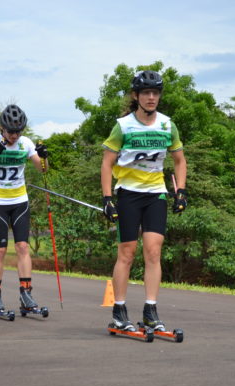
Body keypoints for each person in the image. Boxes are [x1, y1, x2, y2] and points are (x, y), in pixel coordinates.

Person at [100, 70, 188, 332]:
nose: (151, 97)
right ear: (136, 96)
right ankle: (119, 310)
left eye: (156, 93)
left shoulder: (167, 124)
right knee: (126, 253)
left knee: (153, 251)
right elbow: (107, 163)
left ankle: (150, 310)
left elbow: (180, 160)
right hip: (128, 193)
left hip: (156, 194)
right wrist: (107, 197)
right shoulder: (123, 125)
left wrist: (181, 191)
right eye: (146, 93)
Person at [0, 104, 48, 313]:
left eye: (18, 131)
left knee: (23, 247)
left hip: (19, 201)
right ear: (1, 129)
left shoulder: (25, 143)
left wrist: (44, 157)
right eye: (10, 131)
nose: (14, 136)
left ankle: (26, 294)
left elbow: (42, 169)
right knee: (0, 250)